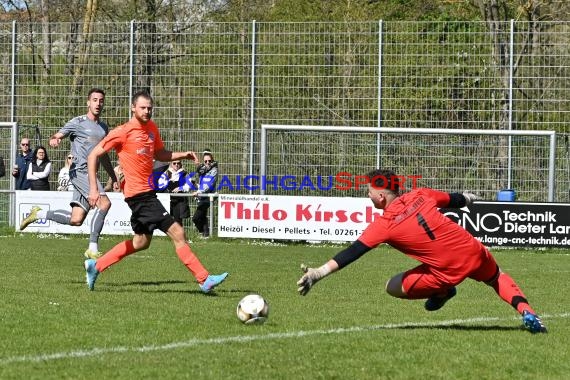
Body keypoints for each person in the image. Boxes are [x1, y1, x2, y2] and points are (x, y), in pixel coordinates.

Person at [296, 169, 547, 334]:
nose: (368, 195)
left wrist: (318, 273)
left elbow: (352, 252)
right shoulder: (421, 194)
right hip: (472, 249)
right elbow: (455, 199)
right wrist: (469, 197)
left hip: (447, 270)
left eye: (370, 192)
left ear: (382, 197)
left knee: (391, 286)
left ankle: (444, 291)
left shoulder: (383, 225)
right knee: (496, 278)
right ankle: (529, 313)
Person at [84, 90, 228, 293]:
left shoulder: (152, 128)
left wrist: (183, 155)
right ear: (133, 108)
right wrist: (93, 188)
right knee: (178, 232)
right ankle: (204, 279)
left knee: (141, 242)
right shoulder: (123, 131)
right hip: (138, 196)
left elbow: (160, 153)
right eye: (142, 108)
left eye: (150, 108)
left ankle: (95, 266)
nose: (147, 111)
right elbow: (93, 155)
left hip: (146, 194)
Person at [20, 88, 117, 260]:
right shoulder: (78, 122)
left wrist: (113, 176)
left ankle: (38, 214)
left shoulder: (103, 128)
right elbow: (57, 135)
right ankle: (92, 248)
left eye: (101, 100)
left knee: (76, 219)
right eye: (94, 100)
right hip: (79, 171)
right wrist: (54, 140)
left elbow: (103, 156)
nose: (98, 103)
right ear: (88, 102)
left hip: (90, 174)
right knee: (105, 204)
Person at [191, 150, 218, 238]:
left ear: (212, 161)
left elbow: (208, 186)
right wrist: (195, 185)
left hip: (207, 196)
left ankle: (202, 232)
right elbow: (202, 185)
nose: (207, 163)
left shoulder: (214, 171)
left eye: (209, 161)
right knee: (203, 217)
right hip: (201, 196)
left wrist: (199, 192)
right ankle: (206, 235)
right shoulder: (202, 171)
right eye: (205, 161)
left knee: (196, 218)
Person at [158, 160, 191, 225]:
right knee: (165, 219)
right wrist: (167, 182)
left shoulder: (184, 173)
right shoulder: (166, 173)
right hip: (167, 199)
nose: (176, 165)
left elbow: (189, 186)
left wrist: (180, 188)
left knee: (178, 220)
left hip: (179, 200)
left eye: (178, 163)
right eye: (174, 163)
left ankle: (179, 234)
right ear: (171, 164)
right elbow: (160, 184)